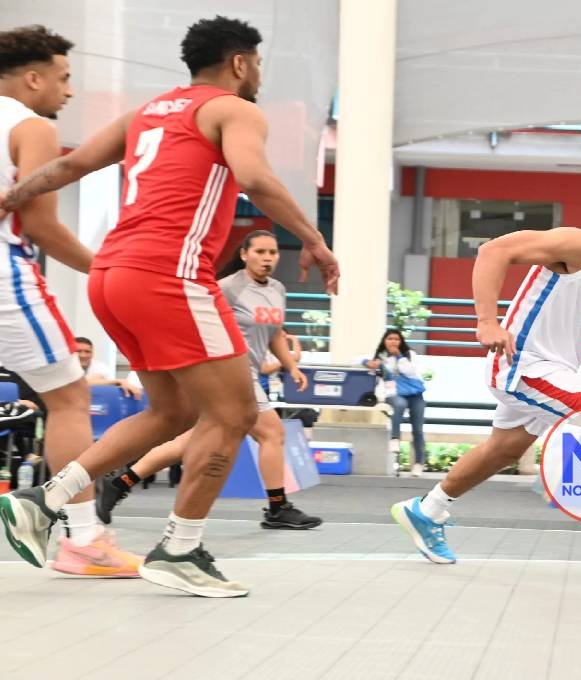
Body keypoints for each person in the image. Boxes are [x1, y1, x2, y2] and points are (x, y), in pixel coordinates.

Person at [0, 16, 339, 597]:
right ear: (239, 62)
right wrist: (313, 238)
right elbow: (255, 177)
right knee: (234, 415)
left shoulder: (147, 113)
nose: (258, 75)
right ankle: (180, 549)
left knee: (171, 412)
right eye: (257, 64)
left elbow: (69, 166)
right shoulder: (235, 110)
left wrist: (11, 194)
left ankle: (44, 501)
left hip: (109, 275)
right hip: (169, 276)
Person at [390, 165, 581, 566]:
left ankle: (425, 511)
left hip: (555, 371)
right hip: (524, 364)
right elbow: (494, 250)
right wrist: (487, 321)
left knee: (503, 450)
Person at [0, 25, 141, 577]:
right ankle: (84, 540)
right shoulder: (29, 126)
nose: (70, 91)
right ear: (33, 79)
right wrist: (107, 267)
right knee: (69, 398)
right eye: (63, 78)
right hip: (6, 276)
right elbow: (41, 225)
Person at [96, 231, 323, 530]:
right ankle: (277, 507)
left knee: (196, 439)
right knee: (272, 433)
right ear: (244, 255)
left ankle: (121, 481)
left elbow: (275, 334)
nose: (268, 258)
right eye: (260, 252)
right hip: (229, 372)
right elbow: (191, 322)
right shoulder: (226, 288)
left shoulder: (278, 289)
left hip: (251, 372)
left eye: (273, 252)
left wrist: (290, 366)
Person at [364, 328, 428, 476]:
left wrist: (398, 356)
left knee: (417, 430)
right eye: (390, 339)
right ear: (384, 341)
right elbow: (357, 360)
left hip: (414, 394)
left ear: (401, 342)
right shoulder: (380, 356)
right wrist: (366, 362)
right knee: (399, 404)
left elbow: (410, 371)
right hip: (393, 393)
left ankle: (419, 463)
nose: (393, 342)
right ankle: (395, 438)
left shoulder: (409, 355)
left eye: (396, 339)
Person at [75, 336, 142, 398]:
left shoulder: (101, 367)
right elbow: (77, 384)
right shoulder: (65, 366)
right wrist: (118, 381)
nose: (83, 355)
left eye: (87, 352)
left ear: (92, 353)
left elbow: (108, 386)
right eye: (78, 351)